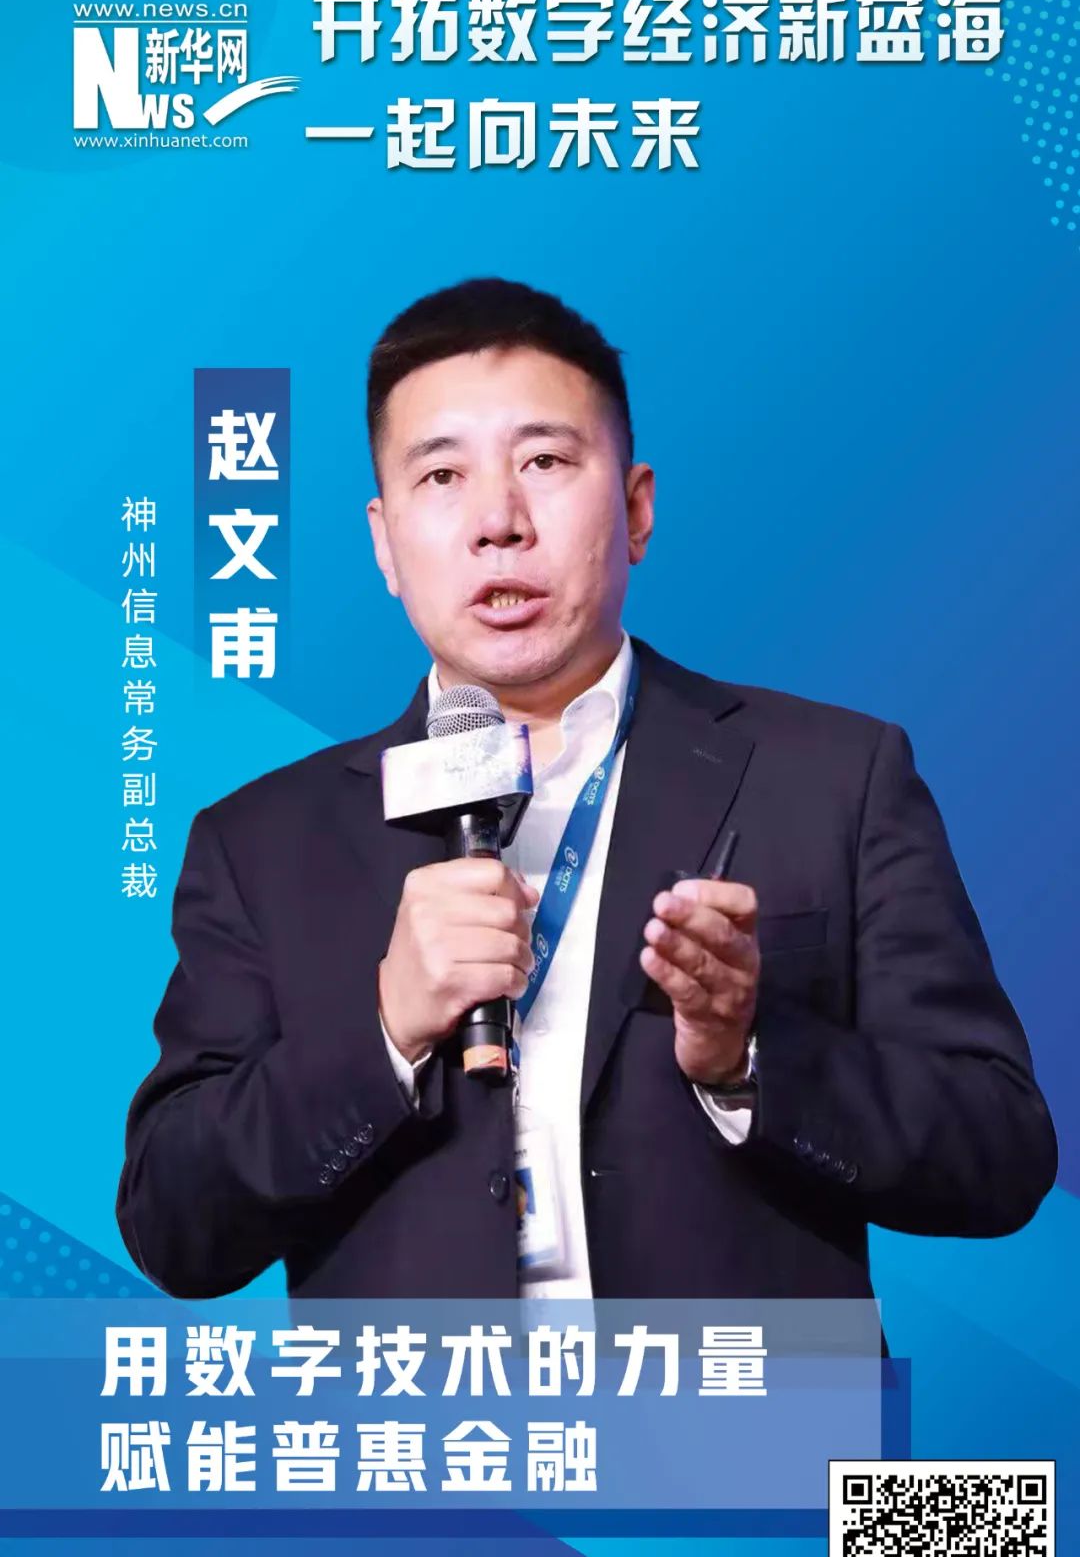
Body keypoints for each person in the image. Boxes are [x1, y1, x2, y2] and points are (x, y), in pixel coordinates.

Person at [117, 277, 1057, 1303]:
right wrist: (385, 1029)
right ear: (385, 542)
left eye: (545, 462)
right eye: (442, 475)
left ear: (637, 507)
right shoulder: (261, 842)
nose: (498, 521)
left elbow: (1002, 1151)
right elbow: (174, 1226)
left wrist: (749, 1052)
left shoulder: (833, 777)